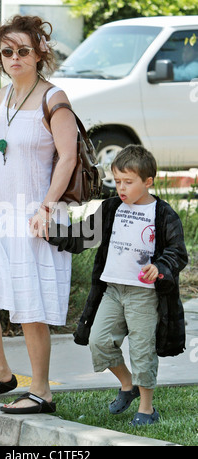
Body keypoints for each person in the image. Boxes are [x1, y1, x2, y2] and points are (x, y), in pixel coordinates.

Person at [0, 15, 77, 413]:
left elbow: (69, 157)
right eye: (7, 52)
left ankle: (41, 390)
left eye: (23, 50)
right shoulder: (5, 96)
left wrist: (47, 207)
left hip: (31, 217)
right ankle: (1, 373)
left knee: (30, 306)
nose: (15, 58)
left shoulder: (53, 98)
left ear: (40, 52)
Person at [48, 145, 188, 425]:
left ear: (148, 181)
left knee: (142, 350)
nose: (121, 188)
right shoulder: (111, 208)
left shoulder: (162, 213)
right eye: (117, 181)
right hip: (112, 291)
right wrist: (49, 232)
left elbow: (177, 251)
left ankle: (146, 409)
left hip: (144, 296)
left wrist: (159, 267)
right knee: (99, 341)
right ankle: (128, 385)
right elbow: (81, 236)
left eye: (129, 182)